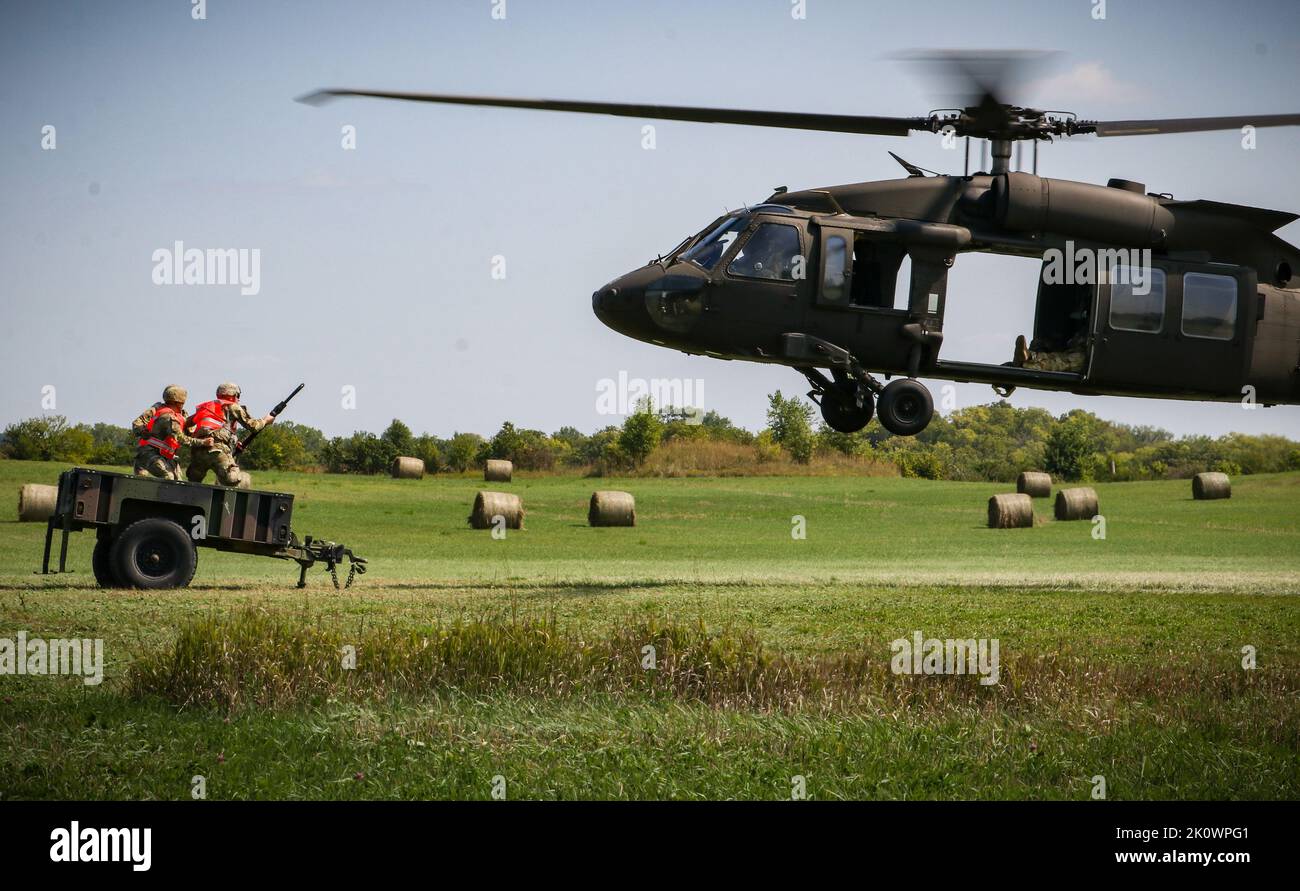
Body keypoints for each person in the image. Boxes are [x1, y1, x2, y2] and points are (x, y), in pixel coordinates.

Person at [184, 382, 274, 488]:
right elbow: (253, 427)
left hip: (198, 450)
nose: (238, 399)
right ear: (234, 395)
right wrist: (266, 420)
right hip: (217, 451)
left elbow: (186, 423)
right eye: (238, 396)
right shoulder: (232, 406)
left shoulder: (206, 407)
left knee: (193, 483)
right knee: (233, 480)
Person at [130, 386, 213, 480]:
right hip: (149, 453)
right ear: (179, 402)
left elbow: (189, 431)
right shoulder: (168, 417)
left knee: (178, 482)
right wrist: (203, 442)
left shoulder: (178, 414)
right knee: (169, 477)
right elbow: (181, 439)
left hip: (166, 455)